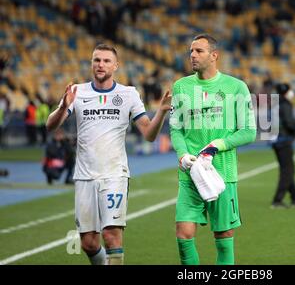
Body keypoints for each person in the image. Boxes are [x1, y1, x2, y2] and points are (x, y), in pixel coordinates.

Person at [46, 44, 171, 265]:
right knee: (88, 243)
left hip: (114, 174)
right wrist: (63, 106)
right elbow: (50, 126)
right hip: (85, 175)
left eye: (105, 61)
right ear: (91, 64)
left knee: (112, 236)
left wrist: (160, 112)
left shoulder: (128, 94)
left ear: (115, 65)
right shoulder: (77, 92)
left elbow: (149, 134)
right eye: (96, 60)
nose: (100, 64)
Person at [170, 34, 256, 265]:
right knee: (183, 235)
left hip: (222, 175)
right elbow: (176, 130)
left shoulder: (236, 87)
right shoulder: (181, 86)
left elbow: (248, 131)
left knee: (223, 236)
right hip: (189, 175)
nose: (193, 55)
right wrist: (182, 154)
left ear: (214, 55)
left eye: (199, 51)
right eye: (191, 51)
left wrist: (217, 145)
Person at [270, 83, 295, 208]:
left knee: (288, 170)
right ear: (287, 92)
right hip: (283, 140)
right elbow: (289, 122)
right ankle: (277, 200)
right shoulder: (285, 104)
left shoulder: (276, 103)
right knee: (288, 171)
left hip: (277, 139)